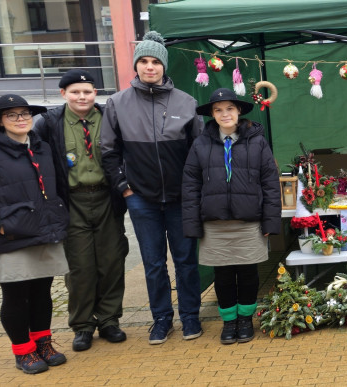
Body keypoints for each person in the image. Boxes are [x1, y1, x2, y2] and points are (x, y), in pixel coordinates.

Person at [101, 31, 205, 344]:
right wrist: (125, 188)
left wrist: (193, 191)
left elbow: (198, 153)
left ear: (164, 66)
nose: (150, 67)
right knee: (153, 264)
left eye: (155, 61)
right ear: (136, 65)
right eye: (144, 61)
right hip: (141, 199)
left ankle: (190, 317)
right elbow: (108, 152)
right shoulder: (118, 103)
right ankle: (161, 320)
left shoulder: (186, 102)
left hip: (179, 199)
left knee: (186, 261)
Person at [0, 95, 68, 373]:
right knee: (16, 296)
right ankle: (23, 351)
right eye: (12, 115)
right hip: (10, 238)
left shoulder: (43, 149)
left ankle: (43, 342)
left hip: (44, 233)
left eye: (24, 113)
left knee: (42, 293)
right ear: (0, 121)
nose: (21, 119)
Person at [32, 69, 129, 352]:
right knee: (79, 267)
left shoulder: (110, 119)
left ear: (95, 93)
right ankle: (83, 325)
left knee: (112, 261)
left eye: (87, 91)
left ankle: (110, 319)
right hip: (71, 201)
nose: (82, 96)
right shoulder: (49, 124)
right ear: (64, 94)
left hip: (106, 199)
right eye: (75, 92)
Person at [183, 88, 281, 343]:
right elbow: (190, 185)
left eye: (229, 108)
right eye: (218, 110)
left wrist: (270, 220)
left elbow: (270, 183)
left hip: (248, 222)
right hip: (214, 224)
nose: (224, 114)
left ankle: (246, 319)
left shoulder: (257, 141)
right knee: (223, 276)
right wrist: (193, 224)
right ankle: (229, 322)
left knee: (248, 273)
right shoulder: (200, 143)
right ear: (212, 115)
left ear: (238, 111)